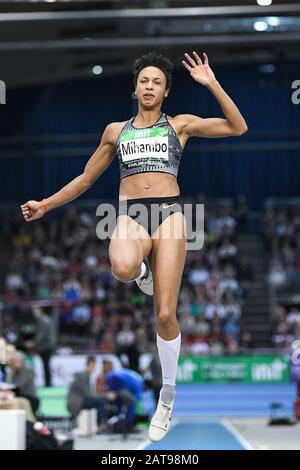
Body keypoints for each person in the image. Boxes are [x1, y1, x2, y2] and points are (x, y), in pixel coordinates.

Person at [20, 50, 247, 441]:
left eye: (157, 82)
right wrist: (45, 204)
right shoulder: (115, 131)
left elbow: (237, 127)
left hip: (172, 215)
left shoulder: (180, 125)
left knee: (164, 315)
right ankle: (142, 274)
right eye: (144, 80)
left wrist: (211, 84)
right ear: (135, 87)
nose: (149, 86)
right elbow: (85, 179)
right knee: (122, 267)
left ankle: (168, 393)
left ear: (166, 91)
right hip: (130, 214)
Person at [67, 356, 106, 427]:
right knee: (101, 401)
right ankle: (99, 426)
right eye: (93, 366)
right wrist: (105, 395)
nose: (93, 369)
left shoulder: (84, 375)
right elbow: (88, 394)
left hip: (79, 401)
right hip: (76, 403)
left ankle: (100, 424)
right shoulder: (83, 376)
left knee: (100, 400)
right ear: (88, 365)